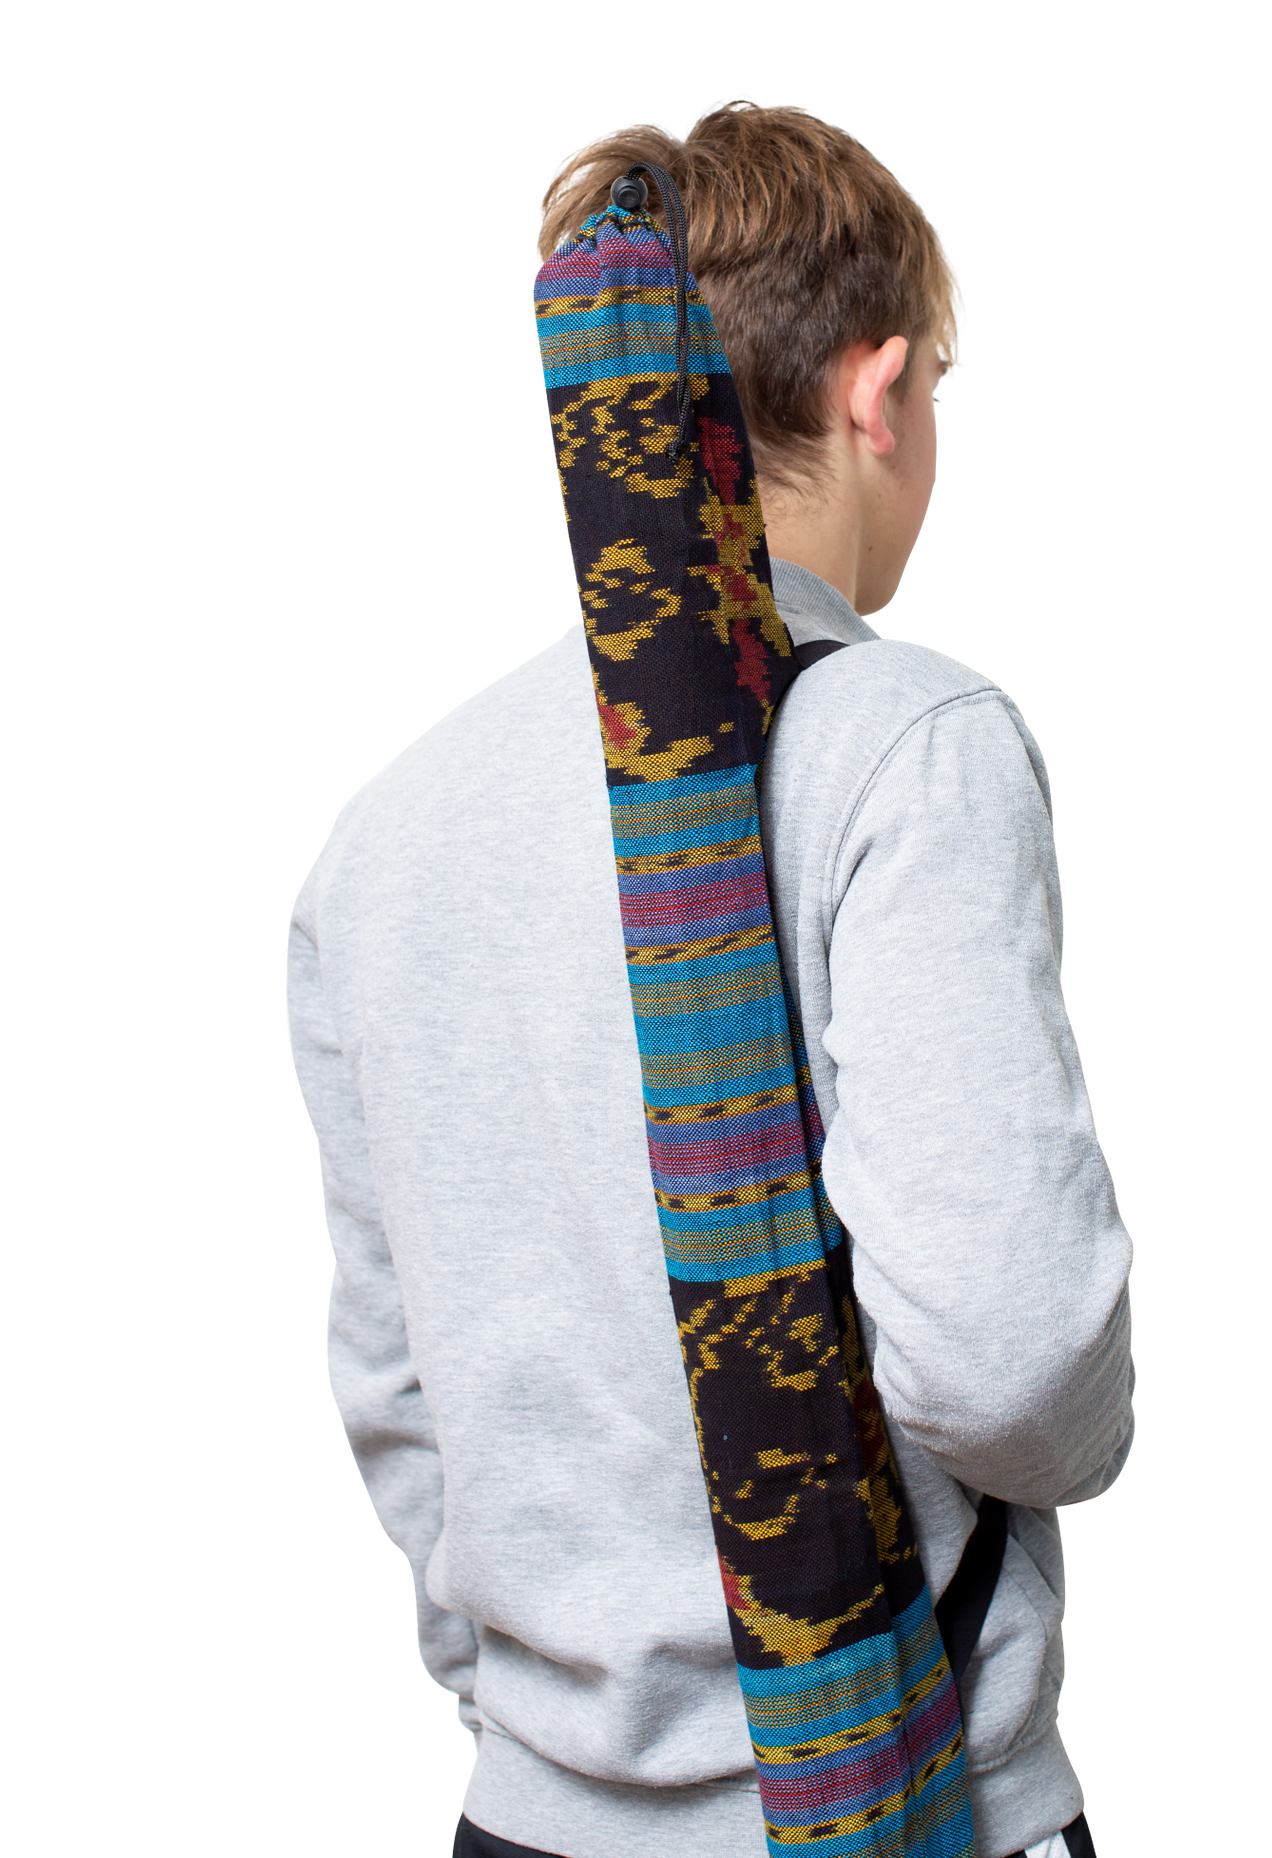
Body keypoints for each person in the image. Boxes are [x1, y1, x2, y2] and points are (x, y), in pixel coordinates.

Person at [282, 93, 1136, 1858]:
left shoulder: (381, 829)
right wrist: (1082, 1451)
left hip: (518, 1819)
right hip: (894, 1806)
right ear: (878, 390)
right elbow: (1008, 1356)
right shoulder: (908, 738)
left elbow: (392, 1389)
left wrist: (545, 1719)